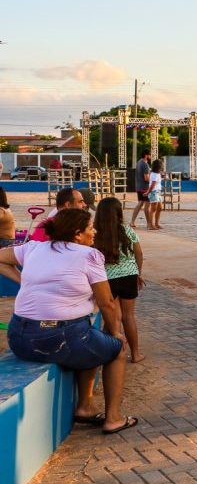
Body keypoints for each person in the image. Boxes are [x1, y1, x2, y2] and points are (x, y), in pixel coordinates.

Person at [0, 209, 137, 434]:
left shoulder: (33, 248)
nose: (94, 232)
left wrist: (23, 280)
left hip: (20, 338)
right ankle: (113, 418)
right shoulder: (89, 256)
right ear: (77, 234)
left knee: (91, 336)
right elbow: (107, 303)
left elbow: (1, 259)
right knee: (115, 350)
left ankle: (86, 407)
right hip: (61, 339)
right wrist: (117, 333)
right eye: (90, 228)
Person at [93, 197, 145, 363]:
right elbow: (139, 253)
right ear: (119, 213)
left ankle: (110, 354)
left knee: (113, 318)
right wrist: (138, 272)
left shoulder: (95, 233)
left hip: (107, 279)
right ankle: (135, 354)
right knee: (128, 316)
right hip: (129, 276)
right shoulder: (126, 230)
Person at [131, 150, 152, 228]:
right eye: (149, 155)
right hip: (145, 187)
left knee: (140, 204)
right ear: (146, 155)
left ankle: (132, 222)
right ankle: (149, 223)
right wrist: (154, 182)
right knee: (147, 205)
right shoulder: (145, 164)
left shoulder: (139, 162)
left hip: (139, 187)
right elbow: (146, 178)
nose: (150, 157)